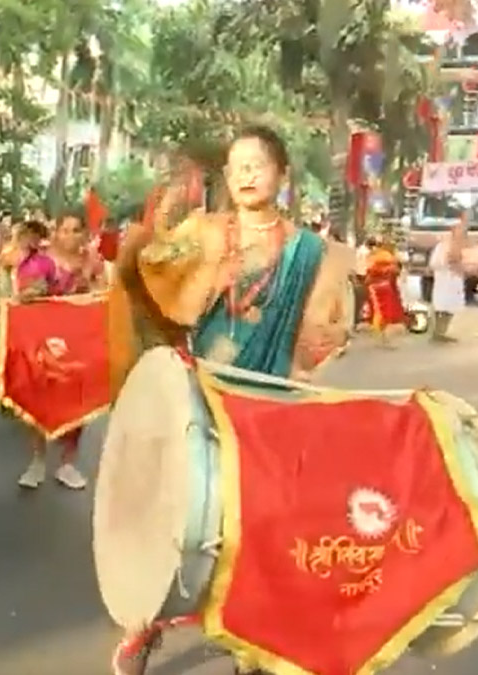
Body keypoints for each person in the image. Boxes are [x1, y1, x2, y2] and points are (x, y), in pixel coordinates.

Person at [112, 127, 352, 674]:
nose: (245, 174)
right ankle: (145, 622)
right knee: (176, 511)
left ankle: (252, 640)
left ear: (282, 175)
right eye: (236, 165)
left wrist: (314, 355)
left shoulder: (311, 252)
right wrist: (141, 244)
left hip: (268, 404)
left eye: (258, 164)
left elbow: (322, 331)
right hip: (200, 393)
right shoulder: (203, 233)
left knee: (257, 526)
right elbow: (150, 278)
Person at [14, 213, 104, 490]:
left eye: (76, 230)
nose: (70, 235)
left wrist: (91, 282)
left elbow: (104, 297)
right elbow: (24, 295)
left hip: (79, 344)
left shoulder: (92, 262)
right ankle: (37, 461)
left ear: (83, 234)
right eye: (64, 230)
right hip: (45, 343)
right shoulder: (40, 262)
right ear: (56, 234)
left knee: (77, 401)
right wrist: (34, 291)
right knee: (39, 398)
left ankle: (68, 463)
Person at [362, 236, 406, 347]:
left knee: (380, 313)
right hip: (383, 288)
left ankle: (382, 339)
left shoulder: (374, 257)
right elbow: (395, 271)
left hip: (377, 288)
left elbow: (368, 274)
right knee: (384, 314)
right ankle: (384, 339)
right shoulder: (388, 257)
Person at [429, 229, 464, 342]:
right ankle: (437, 332)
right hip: (444, 280)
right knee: (440, 307)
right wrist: (448, 262)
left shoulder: (461, 247)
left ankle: (442, 332)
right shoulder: (442, 246)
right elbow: (434, 263)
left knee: (451, 308)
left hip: (455, 282)